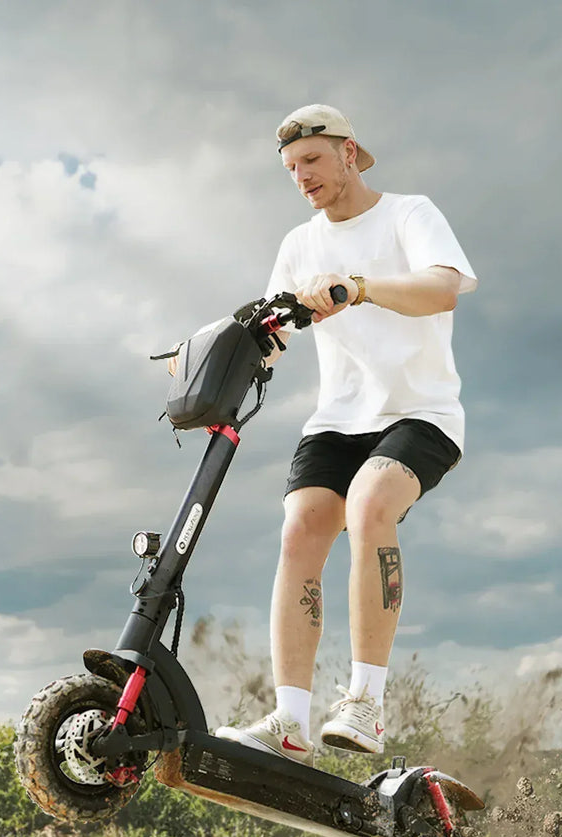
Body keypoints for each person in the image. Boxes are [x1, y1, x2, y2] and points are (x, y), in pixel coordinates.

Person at [215, 104, 477, 766]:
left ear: (350, 153)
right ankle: (291, 722)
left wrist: (357, 287)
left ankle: (365, 703)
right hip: (338, 418)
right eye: (290, 169)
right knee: (301, 529)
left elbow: (442, 290)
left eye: (311, 161)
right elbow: (273, 332)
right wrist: (233, 347)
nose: (301, 177)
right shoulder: (299, 245)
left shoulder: (409, 214)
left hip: (421, 413)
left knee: (368, 506)